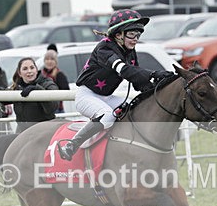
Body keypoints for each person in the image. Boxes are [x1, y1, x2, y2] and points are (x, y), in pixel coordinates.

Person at [57, 9, 174, 161]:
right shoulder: (104, 48)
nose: (136, 39)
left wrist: (160, 88)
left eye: (138, 35)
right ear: (118, 34)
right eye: (132, 34)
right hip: (86, 95)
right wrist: (153, 74)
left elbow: (139, 82)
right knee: (107, 115)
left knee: (134, 111)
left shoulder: (130, 52)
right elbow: (125, 71)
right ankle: (72, 145)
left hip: (107, 97)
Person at [10, 57, 58, 133]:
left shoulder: (47, 83)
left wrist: (36, 89)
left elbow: (52, 107)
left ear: (36, 70)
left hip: (45, 132)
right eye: (25, 69)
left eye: (32, 68)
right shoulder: (17, 87)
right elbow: (2, 98)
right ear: (19, 73)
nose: (29, 71)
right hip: (23, 133)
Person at [41, 45, 69, 112]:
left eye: (52, 59)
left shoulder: (59, 75)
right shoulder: (40, 74)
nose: (49, 61)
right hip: (43, 110)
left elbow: (66, 92)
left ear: (56, 62)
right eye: (47, 59)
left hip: (57, 109)